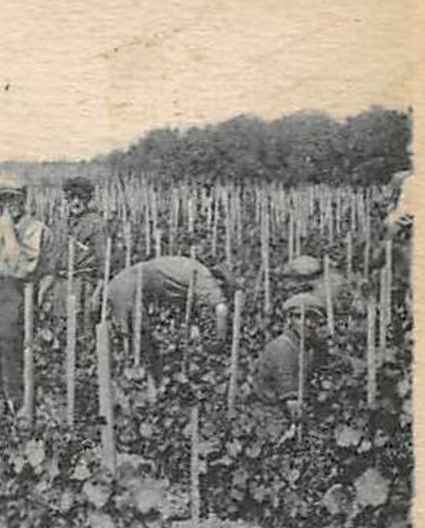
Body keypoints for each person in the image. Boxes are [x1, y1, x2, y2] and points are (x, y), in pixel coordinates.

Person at [103, 254, 230, 385]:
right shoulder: (205, 278)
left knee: (121, 342)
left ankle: (131, 379)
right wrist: (218, 343)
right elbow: (221, 309)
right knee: (137, 346)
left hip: (120, 282)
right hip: (130, 291)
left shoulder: (187, 266)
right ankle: (145, 385)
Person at [0, 172, 47, 409]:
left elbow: (21, 269)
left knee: (11, 348)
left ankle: (17, 403)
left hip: (19, 294)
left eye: (13, 199)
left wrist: (8, 233)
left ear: (23, 200)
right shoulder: (2, 226)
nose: (8, 206)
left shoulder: (33, 229)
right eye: (2, 200)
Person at [42, 176, 111, 325]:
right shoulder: (62, 224)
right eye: (72, 198)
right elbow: (53, 260)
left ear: (88, 199)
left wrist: (97, 294)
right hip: (61, 286)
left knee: (82, 332)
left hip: (83, 287)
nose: (76, 202)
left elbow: (104, 263)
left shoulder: (96, 224)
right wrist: (47, 289)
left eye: (81, 198)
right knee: (60, 330)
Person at [252, 292, 329, 411]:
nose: (307, 323)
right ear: (289, 320)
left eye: (312, 318)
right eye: (300, 317)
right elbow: (292, 401)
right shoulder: (282, 348)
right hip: (271, 412)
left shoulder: (311, 345)